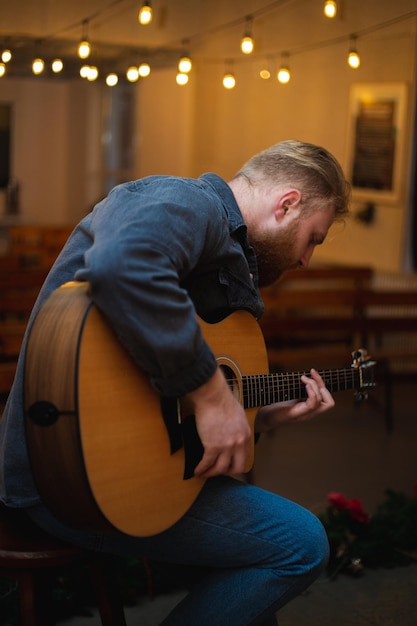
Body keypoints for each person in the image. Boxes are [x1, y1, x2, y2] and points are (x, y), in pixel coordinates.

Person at [0, 140, 350, 625]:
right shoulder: (187, 202)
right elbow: (122, 266)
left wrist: (259, 415)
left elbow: (158, 401)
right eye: (314, 237)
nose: (307, 258)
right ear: (286, 203)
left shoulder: (223, 247)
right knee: (302, 544)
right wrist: (211, 394)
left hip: (115, 469)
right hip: (66, 479)